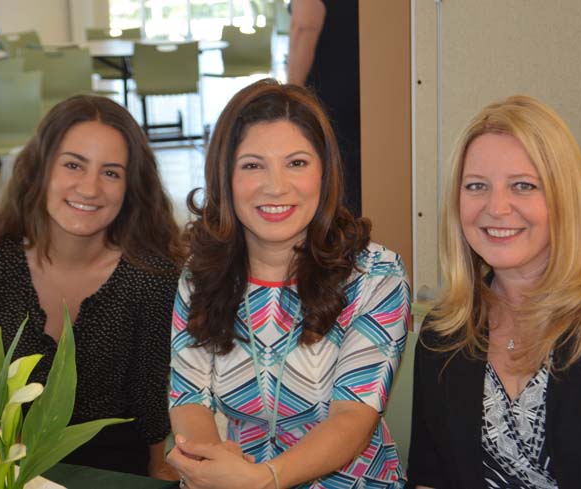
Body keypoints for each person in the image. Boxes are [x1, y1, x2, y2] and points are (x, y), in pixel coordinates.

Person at [407, 95, 581, 489]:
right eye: (477, 186)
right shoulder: (445, 334)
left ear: (563, 196)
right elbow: (430, 479)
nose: (497, 207)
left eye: (523, 186)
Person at [167, 79, 410, 489]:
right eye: (252, 165)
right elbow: (189, 398)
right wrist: (213, 470)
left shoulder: (376, 276)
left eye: (296, 163)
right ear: (225, 178)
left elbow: (353, 419)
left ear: (325, 174)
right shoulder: (201, 273)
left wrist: (265, 479)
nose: (275, 186)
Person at [0, 95, 184, 480]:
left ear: (131, 186)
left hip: (112, 468)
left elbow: (150, 393)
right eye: (74, 165)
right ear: (41, 169)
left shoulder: (150, 275)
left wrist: (159, 469)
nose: (90, 188)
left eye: (111, 173)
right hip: (5, 467)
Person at [288, 0, 361, 217]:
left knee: (333, 175)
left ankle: (335, 239)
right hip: (361, 87)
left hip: (326, 91)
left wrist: (291, 92)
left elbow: (304, 27)